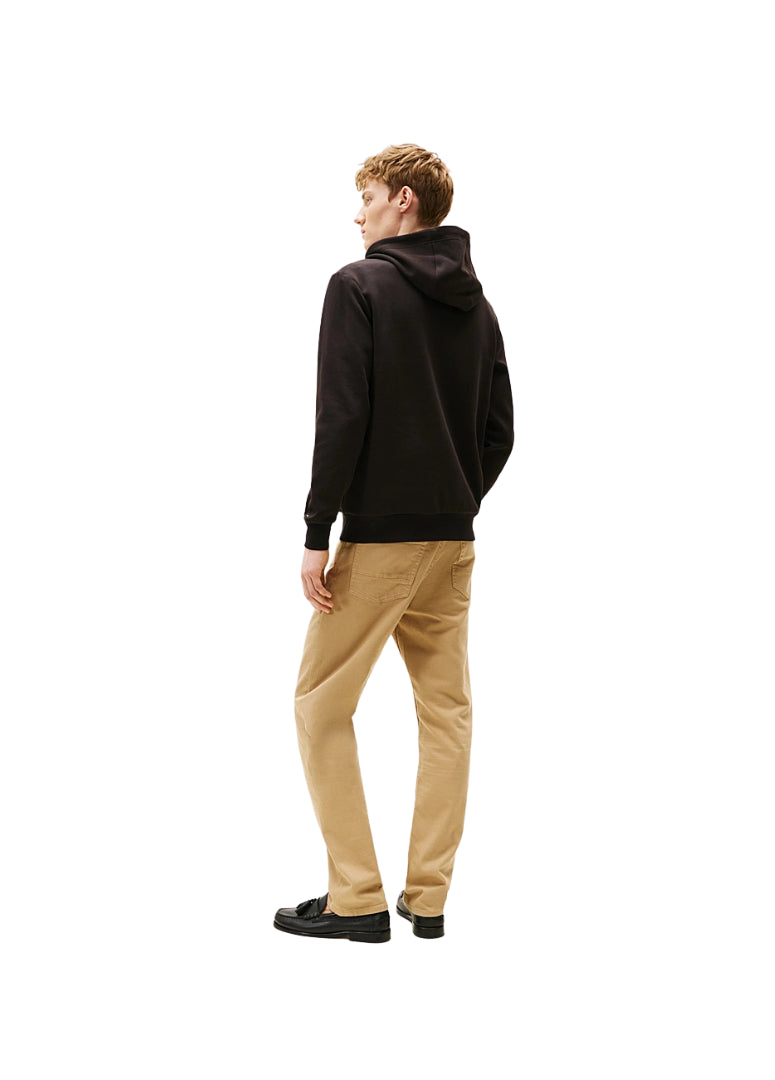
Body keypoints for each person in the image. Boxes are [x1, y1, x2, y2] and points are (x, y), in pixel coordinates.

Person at [273, 144, 515, 943]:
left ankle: (357, 898)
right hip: (453, 543)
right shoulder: (478, 306)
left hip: (380, 542)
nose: (359, 213)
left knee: (319, 706)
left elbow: (341, 416)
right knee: (447, 714)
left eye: (369, 196)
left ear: (404, 200)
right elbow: (499, 432)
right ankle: (429, 898)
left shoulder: (358, 286)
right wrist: (453, 500)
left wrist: (318, 531)